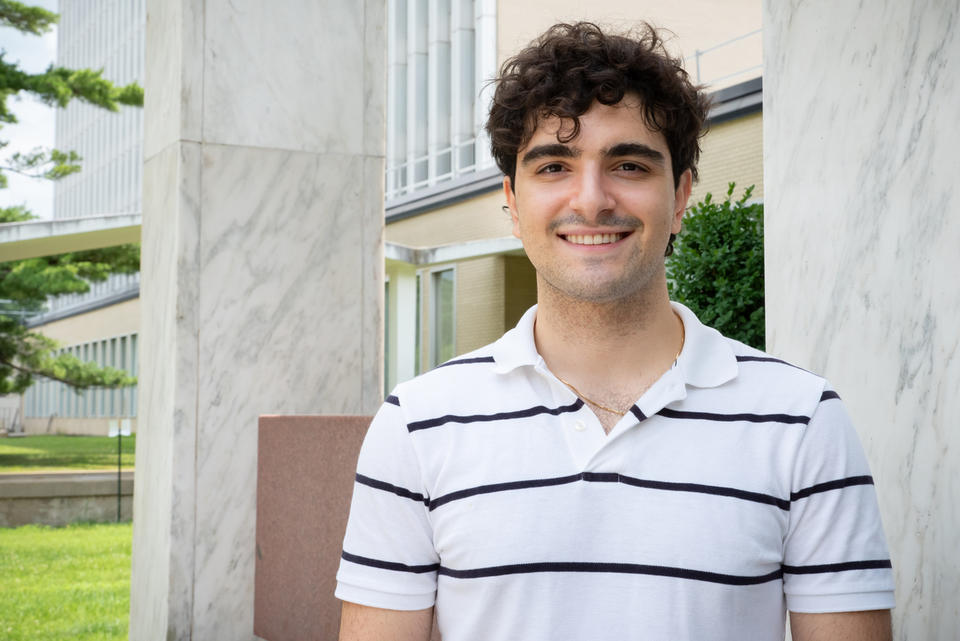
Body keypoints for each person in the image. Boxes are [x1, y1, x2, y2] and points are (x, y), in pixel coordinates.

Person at [336, 22, 894, 641]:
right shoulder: (417, 424)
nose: (593, 199)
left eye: (628, 164)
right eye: (553, 165)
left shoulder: (803, 419)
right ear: (513, 203)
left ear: (680, 195)